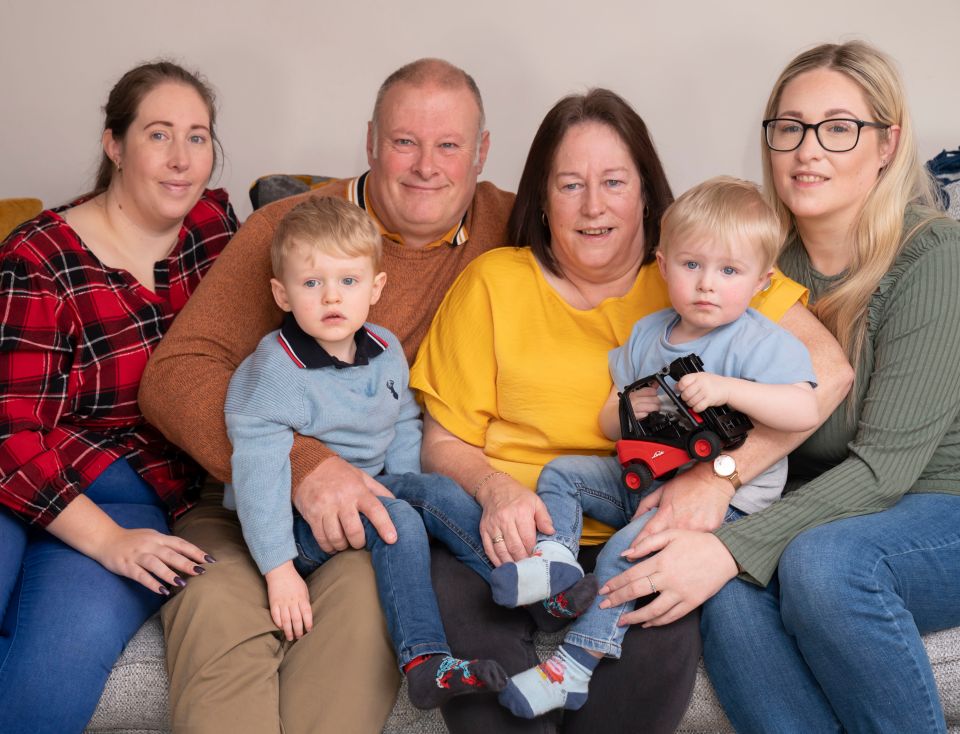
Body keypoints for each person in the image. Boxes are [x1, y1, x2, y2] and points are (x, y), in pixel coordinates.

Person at [410, 89, 850, 734]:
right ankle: (548, 571)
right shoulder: (494, 282)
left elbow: (828, 374)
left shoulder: (703, 273)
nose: (594, 206)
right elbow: (442, 441)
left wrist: (717, 477)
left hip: (654, 517)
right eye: (570, 184)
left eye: (614, 181)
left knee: (643, 660)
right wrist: (495, 489)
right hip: (511, 531)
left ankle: (580, 653)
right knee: (488, 682)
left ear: (646, 194)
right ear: (540, 198)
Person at [138, 58, 515, 734]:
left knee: (365, 615)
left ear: (482, 152)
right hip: (239, 502)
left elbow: (643, 243)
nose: (426, 165)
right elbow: (177, 374)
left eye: (449, 145)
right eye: (405, 142)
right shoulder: (290, 230)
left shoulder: (514, 227)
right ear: (371, 141)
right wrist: (304, 468)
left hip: (370, 522)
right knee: (217, 606)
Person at [596, 41, 960, 733]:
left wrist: (730, 530)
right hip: (830, 505)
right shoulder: (751, 265)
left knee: (819, 566)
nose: (807, 150)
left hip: (940, 505)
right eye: (789, 127)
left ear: (889, 143)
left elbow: (885, 470)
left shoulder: (934, 259)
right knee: (730, 594)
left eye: (838, 127)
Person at [494, 176, 819, 718]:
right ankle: (556, 560)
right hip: (646, 474)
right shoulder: (649, 334)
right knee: (561, 474)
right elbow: (606, 421)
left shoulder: (760, 341)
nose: (707, 285)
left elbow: (804, 411)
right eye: (692, 266)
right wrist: (636, 404)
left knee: (627, 545)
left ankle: (574, 666)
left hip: (725, 504)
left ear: (762, 282)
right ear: (664, 266)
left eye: (729, 271)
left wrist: (727, 389)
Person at [0, 61, 237, 733]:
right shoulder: (39, 258)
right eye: (159, 135)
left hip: (139, 496)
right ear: (114, 144)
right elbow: (8, 434)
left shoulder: (219, 234)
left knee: (48, 688)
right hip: (22, 479)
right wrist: (108, 543)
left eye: (198, 136)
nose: (181, 158)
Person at [227, 196, 507, 708]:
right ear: (282, 294)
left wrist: (414, 494)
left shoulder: (385, 349)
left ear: (375, 288)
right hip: (294, 526)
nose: (331, 297)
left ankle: (519, 580)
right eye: (312, 284)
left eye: (348, 282)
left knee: (434, 490)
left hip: (369, 490)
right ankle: (426, 662)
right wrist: (279, 570)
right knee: (395, 513)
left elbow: (400, 422)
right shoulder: (273, 374)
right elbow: (258, 477)